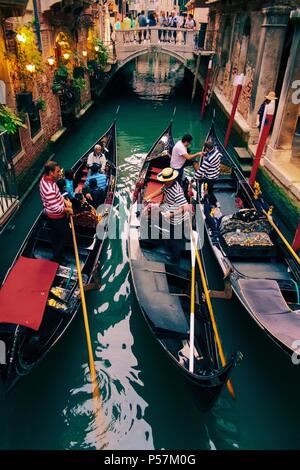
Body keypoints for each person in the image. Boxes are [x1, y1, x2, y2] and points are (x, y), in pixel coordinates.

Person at [144, 167, 190, 260]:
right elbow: (162, 189)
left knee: (174, 241)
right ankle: (155, 237)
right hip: (167, 211)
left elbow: (186, 207)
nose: (164, 182)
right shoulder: (167, 184)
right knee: (153, 220)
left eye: (166, 180)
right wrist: (149, 196)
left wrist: (171, 214)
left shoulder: (177, 192)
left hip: (175, 219)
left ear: (172, 179)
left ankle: (175, 259)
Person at [39, 161, 73, 264]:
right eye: (57, 171)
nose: (60, 173)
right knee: (67, 236)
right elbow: (55, 208)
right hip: (56, 216)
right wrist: (67, 209)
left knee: (55, 237)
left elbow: (57, 194)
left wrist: (65, 200)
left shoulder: (46, 179)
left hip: (50, 215)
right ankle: (56, 258)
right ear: (51, 172)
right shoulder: (49, 188)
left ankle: (57, 255)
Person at [193, 140, 222, 207]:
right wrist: (206, 154)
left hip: (210, 177)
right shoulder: (217, 151)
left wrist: (193, 179)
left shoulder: (209, 159)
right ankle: (207, 197)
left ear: (207, 148)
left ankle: (215, 203)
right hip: (215, 174)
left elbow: (201, 170)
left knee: (210, 190)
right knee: (208, 188)